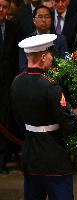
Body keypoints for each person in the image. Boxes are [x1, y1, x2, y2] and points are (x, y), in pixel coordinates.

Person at [10, 34, 77, 200]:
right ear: (43, 57)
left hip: (29, 156)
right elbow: (69, 125)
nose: (52, 57)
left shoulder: (16, 82)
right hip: (53, 158)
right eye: (50, 53)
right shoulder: (50, 86)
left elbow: (18, 119)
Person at [19, 5, 69, 72]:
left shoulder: (60, 40)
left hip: (54, 80)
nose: (43, 20)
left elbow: (65, 64)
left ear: (51, 20)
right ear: (34, 20)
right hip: (32, 80)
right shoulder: (27, 41)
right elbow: (23, 67)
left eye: (47, 17)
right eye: (40, 17)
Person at [0, 0, 19, 174]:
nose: (1, 9)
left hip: (7, 82)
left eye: (5, 7)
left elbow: (15, 57)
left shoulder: (13, 28)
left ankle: (2, 161)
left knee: (5, 121)